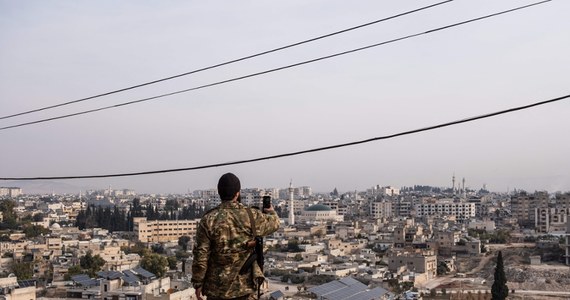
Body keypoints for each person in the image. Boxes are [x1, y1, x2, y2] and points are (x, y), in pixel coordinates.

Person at [192, 173, 280, 300]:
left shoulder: (208, 219)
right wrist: (270, 211)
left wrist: (198, 283)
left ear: (219, 192)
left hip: (216, 290)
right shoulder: (251, 216)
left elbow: (201, 254)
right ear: (237, 193)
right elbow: (275, 223)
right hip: (244, 289)